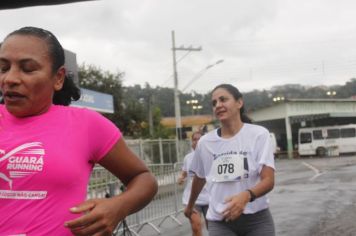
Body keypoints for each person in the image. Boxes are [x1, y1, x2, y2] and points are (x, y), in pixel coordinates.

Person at [0, 26, 158, 236]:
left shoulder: (87, 125)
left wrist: (117, 207)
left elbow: (143, 178)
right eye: (3, 67)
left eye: (27, 69)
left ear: (58, 78)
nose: (10, 78)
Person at [184, 84, 275, 236]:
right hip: (221, 222)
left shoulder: (259, 135)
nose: (218, 105)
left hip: (257, 221)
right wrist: (190, 205)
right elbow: (200, 177)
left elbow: (268, 180)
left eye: (223, 99)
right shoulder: (205, 143)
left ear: (239, 103)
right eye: (214, 103)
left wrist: (246, 196)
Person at [177, 131, 209, 236]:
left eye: (199, 139)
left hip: (209, 198)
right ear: (192, 142)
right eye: (194, 139)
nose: (197, 141)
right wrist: (181, 178)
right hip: (192, 198)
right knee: (196, 227)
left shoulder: (212, 156)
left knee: (212, 228)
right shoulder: (188, 158)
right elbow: (185, 173)